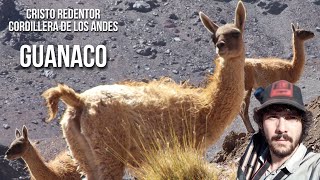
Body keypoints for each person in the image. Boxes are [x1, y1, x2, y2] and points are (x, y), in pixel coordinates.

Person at [237, 80, 320, 180]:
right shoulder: (250, 164)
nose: (281, 128)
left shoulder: (315, 167)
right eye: (272, 117)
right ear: (261, 124)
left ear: (303, 124)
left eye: (291, 118)